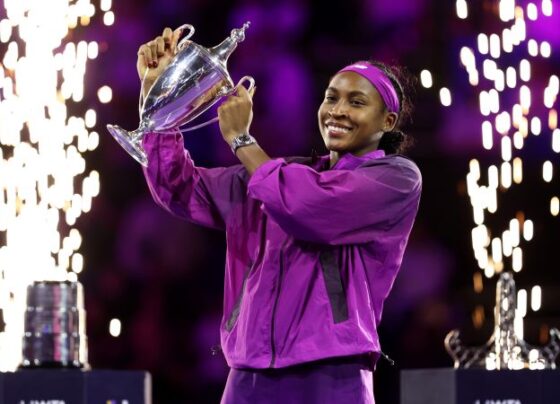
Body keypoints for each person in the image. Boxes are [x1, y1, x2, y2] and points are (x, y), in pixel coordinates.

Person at [136, 27, 422, 404]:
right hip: (248, 374)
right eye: (331, 97)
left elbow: (307, 207)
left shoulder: (396, 179)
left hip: (331, 374)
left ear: (387, 122)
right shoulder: (278, 172)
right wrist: (160, 97)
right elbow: (178, 188)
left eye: (356, 102)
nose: (337, 110)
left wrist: (242, 140)